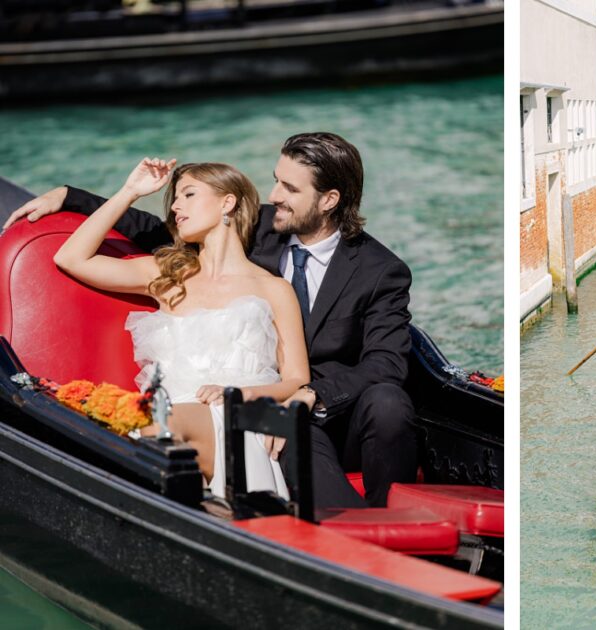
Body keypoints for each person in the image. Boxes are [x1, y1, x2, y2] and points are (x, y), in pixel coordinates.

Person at [4, 132, 413, 510]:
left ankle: (383, 521)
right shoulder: (261, 228)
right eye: (275, 182)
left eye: (289, 188)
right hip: (241, 412)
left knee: (388, 401)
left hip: (314, 413)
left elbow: (384, 364)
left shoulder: (378, 271)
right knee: (156, 422)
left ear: (329, 200)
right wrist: (79, 196)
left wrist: (304, 395)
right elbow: (156, 229)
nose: (274, 196)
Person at [51, 158, 306, 499]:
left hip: (237, 418)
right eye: (174, 199)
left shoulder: (275, 288)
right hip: (171, 416)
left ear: (227, 202)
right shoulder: (167, 274)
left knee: (154, 428)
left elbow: (297, 378)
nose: (174, 207)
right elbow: (71, 258)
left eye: (188, 194)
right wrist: (131, 191)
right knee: (152, 424)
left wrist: (237, 395)